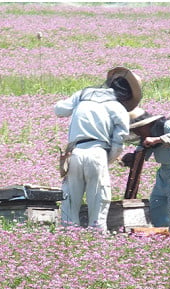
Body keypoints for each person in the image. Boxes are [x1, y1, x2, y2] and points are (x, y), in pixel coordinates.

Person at [54, 67, 142, 232]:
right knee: (99, 200)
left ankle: (69, 234)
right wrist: (107, 161)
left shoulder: (82, 95)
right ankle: (97, 235)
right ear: (126, 95)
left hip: (74, 152)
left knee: (70, 199)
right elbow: (118, 142)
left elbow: (59, 110)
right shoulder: (117, 108)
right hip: (98, 153)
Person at [122, 108, 170, 241]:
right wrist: (130, 158)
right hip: (164, 172)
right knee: (157, 205)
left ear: (146, 125)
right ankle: (164, 239)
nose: (139, 133)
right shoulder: (147, 136)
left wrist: (158, 139)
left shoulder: (167, 125)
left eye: (139, 129)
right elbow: (141, 154)